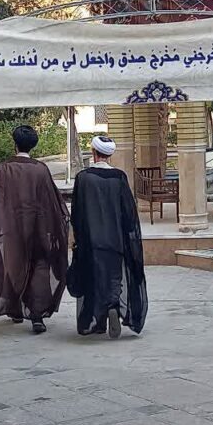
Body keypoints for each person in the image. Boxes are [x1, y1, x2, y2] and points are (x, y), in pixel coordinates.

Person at [0, 125, 69, 334]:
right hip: (39, 228)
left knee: (13, 268)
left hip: (13, 230)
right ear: (33, 145)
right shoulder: (41, 169)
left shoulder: (4, 169)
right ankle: (37, 316)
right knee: (39, 269)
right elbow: (51, 202)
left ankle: (15, 309)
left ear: (14, 143)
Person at [69, 136, 148, 338]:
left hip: (91, 240)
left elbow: (77, 212)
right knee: (114, 278)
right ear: (109, 155)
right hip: (115, 240)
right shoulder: (119, 177)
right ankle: (113, 305)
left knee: (93, 278)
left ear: (93, 152)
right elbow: (128, 212)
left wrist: (77, 237)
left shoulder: (83, 178)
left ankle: (97, 321)